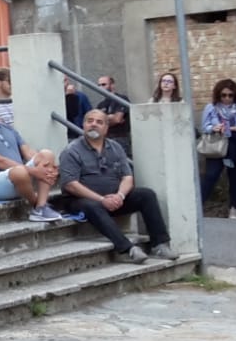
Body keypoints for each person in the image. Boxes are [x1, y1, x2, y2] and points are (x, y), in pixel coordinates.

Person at [58, 109, 178, 264]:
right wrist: (102, 199)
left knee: (146, 195)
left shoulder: (115, 147)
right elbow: (70, 185)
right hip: (81, 201)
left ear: (106, 128)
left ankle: (159, 244)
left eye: (99, 122)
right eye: (90, 121)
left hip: (114, 199)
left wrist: (120, 196)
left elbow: (127, 177)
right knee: (92, 205)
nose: (94, 124)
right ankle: (128, 249)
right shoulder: (71, 150)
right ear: (84, 124)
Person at [0, 96, 60, 222]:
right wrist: (35, 172)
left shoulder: (6, 127)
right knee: (19, 171)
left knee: (46, 154)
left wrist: (46, 167)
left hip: (20, 176)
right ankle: (37, 205)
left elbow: (28, 152)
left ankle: (41, 208)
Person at [200, 77, 236, 219]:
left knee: (234, 177)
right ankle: (199, 205)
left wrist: (233, 128)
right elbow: (204, 126)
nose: (227, 98)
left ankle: (233, 208)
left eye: (230, 95)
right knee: (210, 175)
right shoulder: (211, 108)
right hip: (217, 147)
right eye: (224, 95)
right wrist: (214, 127)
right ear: (218, 94)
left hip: (234, 146)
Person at [95, 74, 132, 156]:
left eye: (104, 84)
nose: (101, 87)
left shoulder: (121, 99)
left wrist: (103, 119)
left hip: (120, 138)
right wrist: (109, 117)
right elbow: (97, 124)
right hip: (105, 139)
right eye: (99, 85)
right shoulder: (100, 105)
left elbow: (117, 119)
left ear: (112, 85)